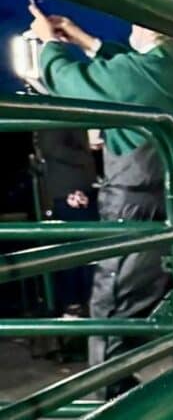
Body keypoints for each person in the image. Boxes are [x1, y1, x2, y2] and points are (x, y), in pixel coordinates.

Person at [28, 4, 173, 396]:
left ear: (149, 32)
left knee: (113, 310)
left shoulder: (139, 74)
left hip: (135, 203)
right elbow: (131, 73)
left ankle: (112, 406)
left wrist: (49, 46)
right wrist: (84, 39)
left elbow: (71, 83)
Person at [32, 126, 98, 314]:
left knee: (84, 245)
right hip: (70, 189)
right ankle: (75, 302)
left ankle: (80, 302)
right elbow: (51, 147)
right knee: (78, 246)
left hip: (76, 187)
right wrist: (86, 156)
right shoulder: (53, 118)